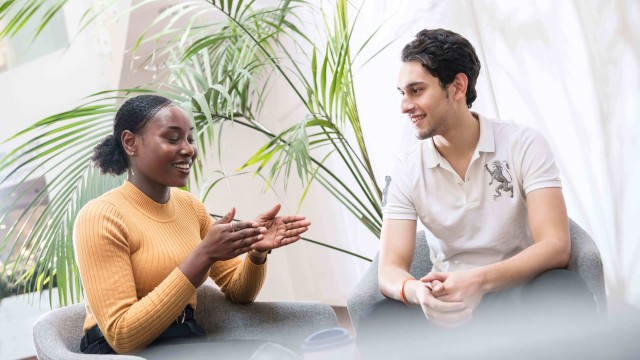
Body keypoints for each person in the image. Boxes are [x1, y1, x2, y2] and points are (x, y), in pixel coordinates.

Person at [356, 29, 596, 358]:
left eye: (416, 91)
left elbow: (555, 246)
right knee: (380, 321)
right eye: (402, 92)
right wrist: (418, 293)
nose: (404, 105)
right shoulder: (405, 168)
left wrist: (478, 281)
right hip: (451, 310)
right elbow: (390, 268)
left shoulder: (523, 144)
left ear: (457, 86)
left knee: (564, 291)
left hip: (518, 294)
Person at [74, 94, 311, 354]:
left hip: (185, 340)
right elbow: (123, 336)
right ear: (131, 143)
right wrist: (204, 254)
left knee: (283, 352)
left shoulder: (190, 207)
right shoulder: (100, 216)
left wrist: (257, 251)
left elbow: (238, 290)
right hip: (123, 354)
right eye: (172, 138)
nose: (188, 149)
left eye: (190, 138)